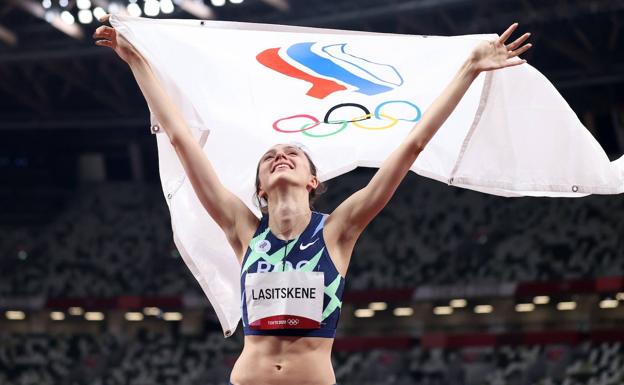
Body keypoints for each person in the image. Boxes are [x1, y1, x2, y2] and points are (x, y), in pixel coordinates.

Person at [93, 15, 531, 385]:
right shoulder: (242, 229)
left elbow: (412, 146)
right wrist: (136, 62)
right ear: (260, 187)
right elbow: (181, 139)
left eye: (293, 154)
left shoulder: (339, 230)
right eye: (270, 157)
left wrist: (468, 71)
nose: (281, 155)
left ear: (312, 180)